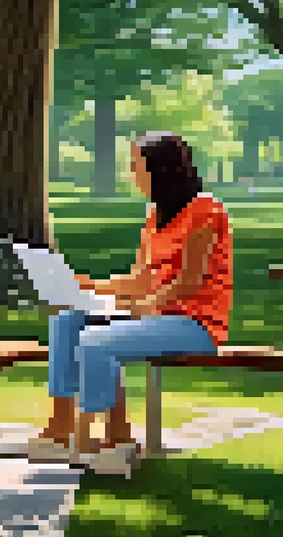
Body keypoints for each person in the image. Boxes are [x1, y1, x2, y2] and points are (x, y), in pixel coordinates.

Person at [20, 132, 234, 476]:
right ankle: (59, 432)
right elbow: (140, 280)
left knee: (95, 341)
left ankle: (103, 444)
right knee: (68, 322)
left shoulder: (205, 211)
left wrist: (145, 306)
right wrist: (88, 286)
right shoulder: (155, 216)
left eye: (136, 166)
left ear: (160, 170)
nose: (131, 173)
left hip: (195, 325)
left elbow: (189, 282)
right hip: (156, 317)